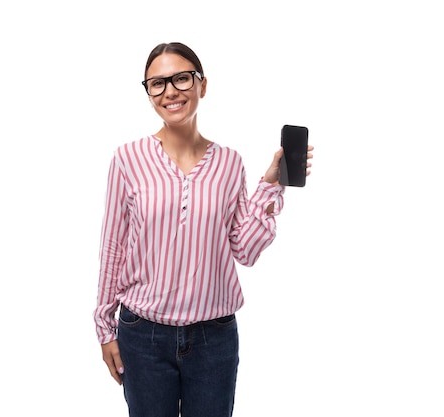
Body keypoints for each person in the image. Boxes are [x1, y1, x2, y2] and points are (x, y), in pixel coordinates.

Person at [93, 42, 314, 417]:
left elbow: (244, 251)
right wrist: (105, 329)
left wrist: (270, 185)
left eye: (181, 78)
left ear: (202, 85)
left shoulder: (228, 163)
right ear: (148, 93)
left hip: (214, 337)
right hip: (142, 335)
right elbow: (113, 247)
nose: (170, 91)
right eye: (157, 84)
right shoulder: (127, 159)